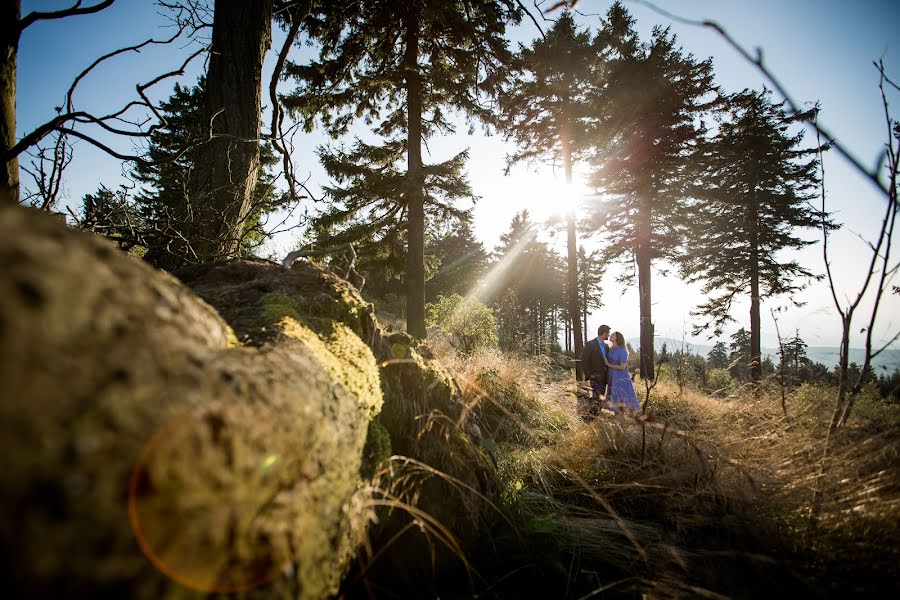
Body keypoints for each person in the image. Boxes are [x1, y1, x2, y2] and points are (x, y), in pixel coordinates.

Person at [604, 331, 640, 413]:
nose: (610, 335)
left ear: (618, 338)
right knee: (612, 394)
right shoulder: (611, 349)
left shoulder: (622, 351)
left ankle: (620, 417)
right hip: (612, 375)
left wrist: (608, 364)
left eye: (613, 335)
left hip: (620, 376)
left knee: (619, 395)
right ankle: (616, 417)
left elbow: (622, 367)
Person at [580, 325, 611, 413]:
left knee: (601, 397)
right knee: (596, 397)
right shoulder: (590, 344)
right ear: (604, 333)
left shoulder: (606, 346)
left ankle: (595, 417)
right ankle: (590, 417)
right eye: (608, 333)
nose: (608, 335)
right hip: (594, 377)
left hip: (604, 378)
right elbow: (584, 360)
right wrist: (589, 374)